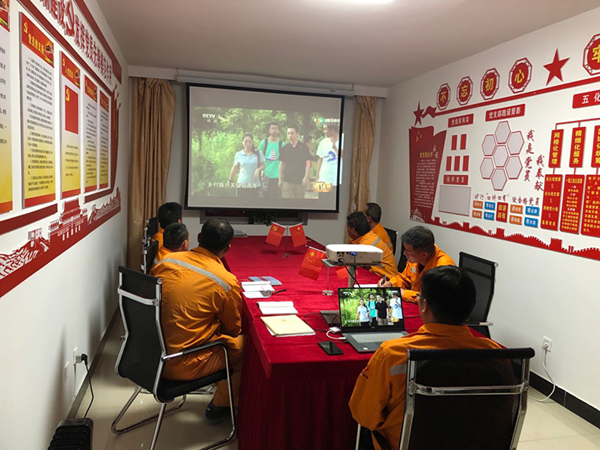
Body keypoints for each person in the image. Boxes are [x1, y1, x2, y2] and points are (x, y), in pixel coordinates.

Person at [350, 266, 502, 450]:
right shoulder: (495, 354)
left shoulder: (393, 354)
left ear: (424, 305)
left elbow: (363, 414)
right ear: (470, 310)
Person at [150, 218, 243, 425]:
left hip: (149, 353)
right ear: (228, 249)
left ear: (199, 237)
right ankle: (220, 406)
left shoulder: (166, 262)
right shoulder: (226, 281)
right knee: (246, 347)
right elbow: (234, 329)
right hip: (181, 362)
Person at [379, 226, 455, 303]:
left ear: (424, 255)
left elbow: (432, 299)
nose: (404, 253)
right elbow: (404, 278)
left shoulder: (444, 267)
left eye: (408, 251)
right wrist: (391, 284)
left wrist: (404, 294)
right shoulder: (416, 259)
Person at [346, 211, 399, 280]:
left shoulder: (367, 244)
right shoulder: (366, 236)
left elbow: (352, 264)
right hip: (377, 274)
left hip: (387, 279)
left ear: (353, 231)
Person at [279, 125, 312, 199]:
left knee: (299, 203)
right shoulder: (285, 148)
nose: (290, 135)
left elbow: (307, 164)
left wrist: (306, 178)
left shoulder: (303, 147)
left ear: (297, 134)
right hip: (287, 181)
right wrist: (280, 179)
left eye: (292, 133)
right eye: (288, 133)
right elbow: (281, 164)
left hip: (300, 181)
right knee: (286, 202)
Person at [229, 133, 265, 198]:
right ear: (242, 142)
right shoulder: (238, 154)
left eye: (250, 142)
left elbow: (263, 166)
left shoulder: (258, 153)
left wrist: (258, 170)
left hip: (255, 185)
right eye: (245, 141)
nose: (248, 144)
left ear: (253, 142)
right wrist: (230, 180)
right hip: (242, 185)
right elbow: (235, 168)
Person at [316, 123, 341, 201]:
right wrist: (317, 177)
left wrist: (334, 147)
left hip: (337, 180)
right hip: (324, 179)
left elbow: (345, 156)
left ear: (332, 130)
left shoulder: (343, 140)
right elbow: (320, 159)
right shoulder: (323, 142)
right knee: (322, 202)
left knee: (335, 201)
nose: (324, 131)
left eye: (325, 129)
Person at [259, 122, 283, 198]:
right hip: (265, 176)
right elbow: (259, 158)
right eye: (272, 128)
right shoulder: (264, 143)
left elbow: (284, 161)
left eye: (276, 128)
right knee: (266, 199)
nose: (274, 130)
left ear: (278, 131)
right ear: (269, 130)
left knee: (276, 199)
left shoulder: (281, 144)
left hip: (277, 176)